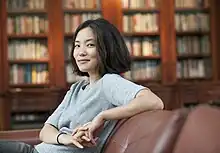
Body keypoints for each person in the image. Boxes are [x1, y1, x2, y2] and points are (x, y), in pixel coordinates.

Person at [0, 18, 164, 153]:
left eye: (90, 45)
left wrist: (103, 116)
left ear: (106, 49)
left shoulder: (109, 82)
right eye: (77, 45)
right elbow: (46, 131)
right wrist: (66, 139)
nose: (81, 52)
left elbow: (154, 101)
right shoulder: (76, 88)